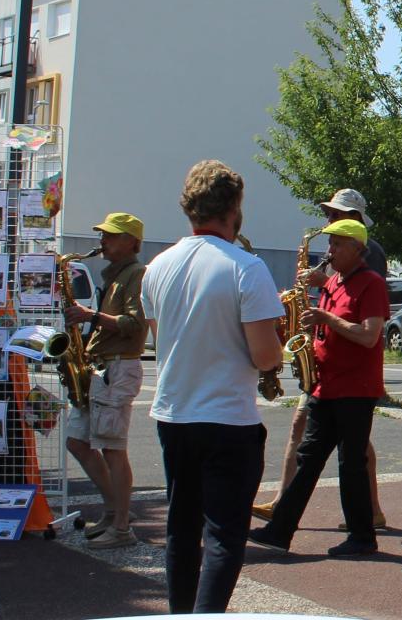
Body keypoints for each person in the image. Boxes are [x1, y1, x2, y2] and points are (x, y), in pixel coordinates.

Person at [142, 161, 284, 613]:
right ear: (235, 208)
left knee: (181, 530)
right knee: (224, 535)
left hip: (173, 413)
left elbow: (157, 335)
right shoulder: (247, 267)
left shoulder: (157, 266)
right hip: (227, 417)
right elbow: (266, 356)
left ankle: (181, 614)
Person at [248, 219, 389, 557]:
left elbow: (369, 335)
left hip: (356, 388)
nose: (330, 251)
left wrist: (327, 320)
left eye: (338, 244)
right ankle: (280, 530)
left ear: (357, 249)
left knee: (350, 463)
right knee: (308, 458)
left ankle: (362, 537)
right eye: (331, 244)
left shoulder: (371, 283)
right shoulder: (334, 282)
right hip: (326, 386)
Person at [64, 212, 148, 549]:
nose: (103, 241)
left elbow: (133, 324)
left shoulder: (137, 274)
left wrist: (90, 316)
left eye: (111, 236)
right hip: (100, 368)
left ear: (132, 242)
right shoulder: (114, 274)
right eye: (103, 235)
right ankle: (114, 512)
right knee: (78, 442)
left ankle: (123, 527)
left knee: (114, 448)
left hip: (119, 368)